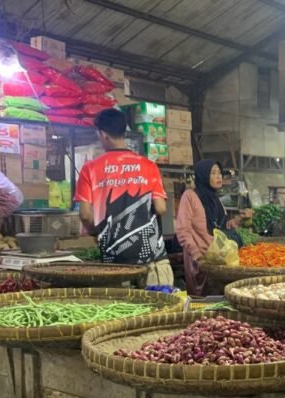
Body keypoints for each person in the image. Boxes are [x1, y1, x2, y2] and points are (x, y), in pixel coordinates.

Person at [76, 108, 173, 286]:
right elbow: (160, 208)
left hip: (115, 266)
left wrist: (94, 232)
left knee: (125, 312)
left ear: (103, 134)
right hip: (153, 259)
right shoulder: (148, 165)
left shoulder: (90, 169)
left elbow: (85, 215)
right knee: (161, 311)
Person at [175, 159, 249, 296]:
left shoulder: (216, 200)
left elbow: (221, 228)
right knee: (202, 301)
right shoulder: (190, 196)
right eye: (213, 173)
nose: (219, 176)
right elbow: (183, 230)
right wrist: (198, 257)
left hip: (220, 258)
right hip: (201, 260)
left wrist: (239, 220)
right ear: (203, 175)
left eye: (220, 173)